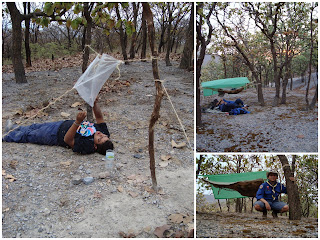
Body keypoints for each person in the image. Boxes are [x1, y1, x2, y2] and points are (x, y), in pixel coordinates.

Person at [3, 99, 113, 155]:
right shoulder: (104, 133)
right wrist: (95, 103)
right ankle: (14, 128)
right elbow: (99, 117)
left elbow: (68, 140)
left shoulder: (87, 145)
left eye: (99, 139)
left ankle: (7, 137)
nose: (100, 134)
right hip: (61, 124)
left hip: (54, 135)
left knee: (30, 135)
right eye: (104, 136)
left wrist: (77, 122)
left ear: (95, 146)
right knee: (34, 126)